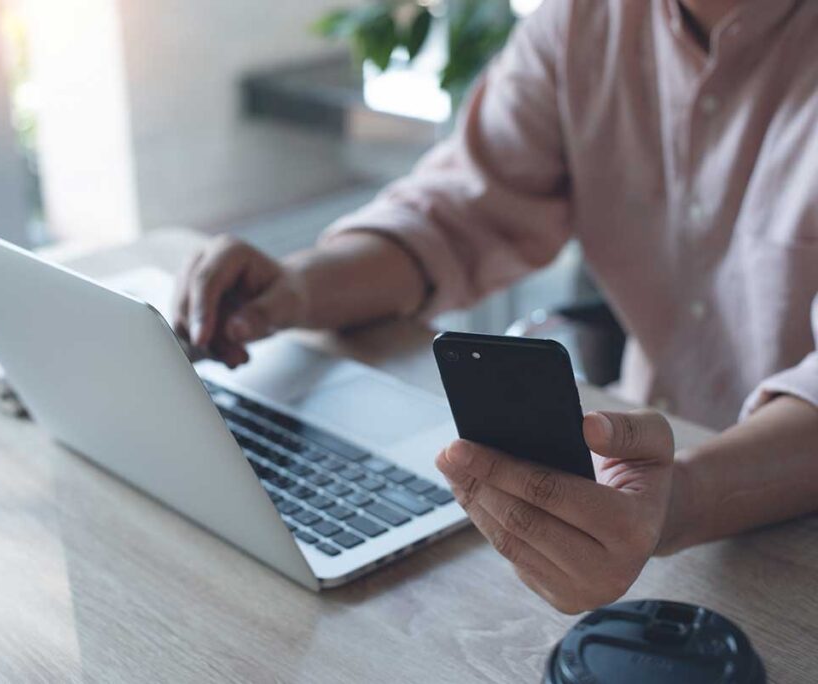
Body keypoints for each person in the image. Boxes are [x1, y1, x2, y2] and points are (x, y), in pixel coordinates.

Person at [172, 0, 818, 613]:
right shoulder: (582, 22)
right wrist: (299, 285)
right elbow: (463, 207)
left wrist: (679, 499)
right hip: (636, 492)